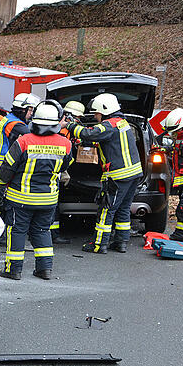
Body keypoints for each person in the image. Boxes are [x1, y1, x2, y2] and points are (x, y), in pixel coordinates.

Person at [0, 101, 74, 280]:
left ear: (35, 121)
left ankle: (13, 269)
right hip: (48, 200)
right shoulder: (66, 144)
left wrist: (0, 183)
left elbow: (7, 168)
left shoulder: (23, 141)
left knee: (16, 231)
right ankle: (44, 269)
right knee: (42, 231)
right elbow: (66, 164)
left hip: (21, 199)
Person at [67, 93, 143, 254]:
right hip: (134, 174)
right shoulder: (122, 123)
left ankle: (99, 244)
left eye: (96, 113)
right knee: (123, 208)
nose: (95, 116)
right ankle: (121, 242)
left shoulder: (109, 125)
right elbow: (107, 141)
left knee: (106, 210)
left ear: (104, 110)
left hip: (118, 176)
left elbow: (90, 133)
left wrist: (71, 126)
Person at [49, 100, 86, 245]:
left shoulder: (63, 130)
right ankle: (52, 235)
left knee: (54, 205)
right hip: (53, 172)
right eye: (77, 118)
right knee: (52, 205)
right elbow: (64, 155)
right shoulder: (58, 130)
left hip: (56, 171)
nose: (78, 121)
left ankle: (53, 233)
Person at [0, 93, 40, 172]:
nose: (31, 113)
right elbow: (33, 137)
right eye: (30, 110)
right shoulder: (15, 124)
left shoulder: (9, 118)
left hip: (1, 162)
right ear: (23, 110)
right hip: (3, 164)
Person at [160, 107, 183, 240]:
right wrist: (164, 149)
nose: (173, 135)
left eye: (175, 131)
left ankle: (181, 235)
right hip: (182, 178)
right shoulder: (181, 136)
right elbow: (177, 149)